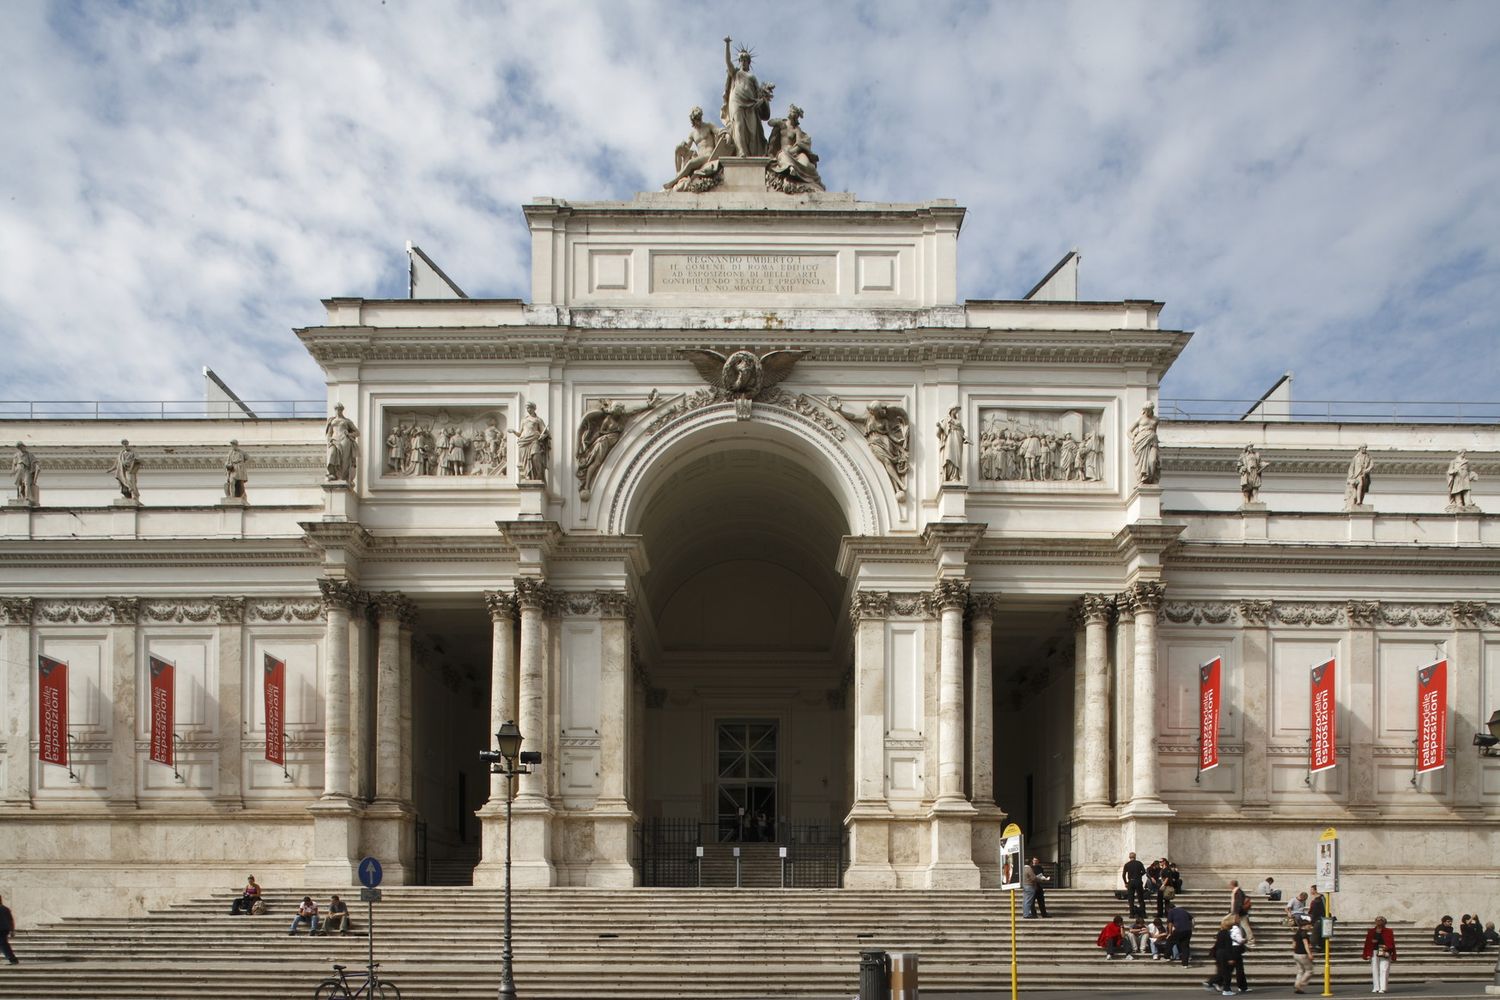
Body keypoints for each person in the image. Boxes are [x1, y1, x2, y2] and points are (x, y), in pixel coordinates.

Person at [721, 37, 773, 157]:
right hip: (737, 101)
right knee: (738, 125)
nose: (743, 62)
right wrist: (728, 45)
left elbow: (758, 93)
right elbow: (728, 62)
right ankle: (741, 151)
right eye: (741, 60)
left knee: (752, 131)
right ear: (739, 61)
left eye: (745, 60)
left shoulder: (752, 77)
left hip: (751, 103)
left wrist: (763, 99)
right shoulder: (735, 73)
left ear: (749, 62)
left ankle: (752, 154)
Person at [766, 104, 825, 193]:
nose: (791, 113)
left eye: (794, 112)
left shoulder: (796, 130)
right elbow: (769, 122)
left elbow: (799, 143)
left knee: (806, 163)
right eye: (791, 111)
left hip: (795, 152)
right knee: (783, 155)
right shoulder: (782, 124)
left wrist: (794, 151)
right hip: (784, 151)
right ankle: (791, 168)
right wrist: (778, 121)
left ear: (796, 117)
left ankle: (815, 180)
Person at [509, 402, 549, 482]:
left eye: (529, 408)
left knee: (536, 457)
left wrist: (543, 436)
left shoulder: (538, 420)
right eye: (527, 408)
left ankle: (538, 476)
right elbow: (520, 434)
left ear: (534, 408)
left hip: (534, 440)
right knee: (525, 461)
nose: (528, 410)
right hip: (524, 442)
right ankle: (529, 476)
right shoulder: (524, 420)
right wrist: (513, 431)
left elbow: (546, 432)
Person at [323, 403, 359, 484]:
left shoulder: (347, 421)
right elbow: (329, 433)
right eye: (336, 409)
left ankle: (342, 477)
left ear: (342, 410)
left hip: (344, 439)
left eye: (339, 409)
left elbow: (357, 432)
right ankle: (332, 474)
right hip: (334, 439)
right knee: (332, 454)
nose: (338, 411)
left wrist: (349, 434)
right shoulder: (331, 421)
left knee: (344, 459)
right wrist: (330, 440)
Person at [1205, 914, 1240, 996]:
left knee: (1223, 971)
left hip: (1220, 954)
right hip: (1224, 954)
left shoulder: (1221, 932)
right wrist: (1230, 958)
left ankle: (1213, 982)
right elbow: (1228, 947)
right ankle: (1226, 989)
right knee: (1226, 973)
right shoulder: (1226, 934)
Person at [1361, 914, 1396, 994]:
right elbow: (1367, 943)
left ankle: (1383, 988)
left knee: (1384, 969)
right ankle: (1376, 987)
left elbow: (1391, 943)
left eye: (1381, 920)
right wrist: (1367, 953)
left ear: (1384, 922)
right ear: (1375, 922)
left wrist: (1388, 947)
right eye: (1377, 920)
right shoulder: (1371, 931)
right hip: (1374, 951)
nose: (1379, 921)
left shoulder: (1389, 931)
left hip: (1384, 951)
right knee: (1375, 969)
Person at [1129, 403, 1160, 485]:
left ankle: (1151, 479)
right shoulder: (1140, 419)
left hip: (1153, 441)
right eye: (1146, 410)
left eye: (1149, 410)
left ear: (1151, 410)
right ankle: (1143, 479)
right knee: (1141, 462)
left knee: (1153, 461)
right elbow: (1128, 431)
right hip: (1140, 441)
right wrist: (1133, 438)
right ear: (1144, 410)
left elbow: (1155, 431)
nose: (1148, 412)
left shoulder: (1156, 419)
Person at [935, 406, 967, 484]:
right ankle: (949, 476)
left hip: (958, 439)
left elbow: (962, 431)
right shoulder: (946, 420)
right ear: (951, 410)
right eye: (955, 410)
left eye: (957, 410)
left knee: (957, 457)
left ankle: (955, 476)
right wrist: (939, 427)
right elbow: (939, 434)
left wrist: (964, 439)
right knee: (949, 455)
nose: (956, 412)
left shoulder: (958, 421)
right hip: (949, 439)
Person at [1344, 444, 1373, 508]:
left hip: (1365, 475)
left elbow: (1371, 465)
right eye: (1363, 447)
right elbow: (1351, 468)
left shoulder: (1368, 457)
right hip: (1357, 475)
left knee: (1363, 488)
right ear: (1360, 448)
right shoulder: (1356, 458)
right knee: (1360, 484)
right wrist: (1351, 477)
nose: (1365, 449)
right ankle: (1359, 501)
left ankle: (1360, 501)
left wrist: (1367, 470)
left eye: (1365, 448)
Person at [1291, 919, 1314, 994]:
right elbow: (1306, 944)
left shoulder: (1297, 933)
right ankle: (1300, 984)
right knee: (1309, 971)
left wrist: (1296, 949)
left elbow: (1293, 944)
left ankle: (1297, 986)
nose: (1311, 926)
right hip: (1303, 954)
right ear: (1305, 925)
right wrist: (1310, 953)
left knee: (1300, 971)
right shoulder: (1304, 934)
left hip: (1296, 954)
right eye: (1309, 925)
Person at [1230, 878, 1256, 944]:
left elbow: (1238, 904)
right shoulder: (1236, 892)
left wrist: (1237, 913)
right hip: (1238, 912)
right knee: (1241, 926)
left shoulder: (1238, 892)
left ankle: (1251, 940)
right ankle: (1241, 938)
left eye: (1230, 885)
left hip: (1240, 912)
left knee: (1245, 926)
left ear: (1232, 885)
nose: (1229, 886)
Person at [1121, 852, 1146, 919]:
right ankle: (1143, 914)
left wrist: (1125, 882)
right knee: (1141, 898)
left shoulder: (1127, 864)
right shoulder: (1139, 863)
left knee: (1131, 899)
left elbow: (1123, 875)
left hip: (1131, 882)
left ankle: (1131, 914)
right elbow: (1144, 871)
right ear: (1135, 857)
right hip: (1138, 881)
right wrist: (1139, 875)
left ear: (1129, 857)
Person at [0, 893, 17, 965]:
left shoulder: (4, 909)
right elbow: (11, 920)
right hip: (5, 929)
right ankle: (12, 959)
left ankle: (12, 959)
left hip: (1, 929)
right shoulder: (5, 908)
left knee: (3, 944)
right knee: (3, 944)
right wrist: (12, 930)